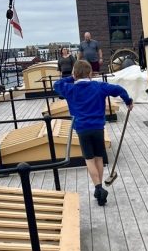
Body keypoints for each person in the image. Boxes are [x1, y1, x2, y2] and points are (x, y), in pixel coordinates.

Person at [53, 59, 132, 205]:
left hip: (82, 129)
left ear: (74, 74)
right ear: (90, 73)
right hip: (97, 128)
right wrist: (128, 101)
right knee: (99, 158)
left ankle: (98, 188)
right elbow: (119, 90)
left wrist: (72, 77)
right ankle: (99, 188)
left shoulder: (70, 89)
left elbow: (56, 85)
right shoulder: (98, 86)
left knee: (89, 160)